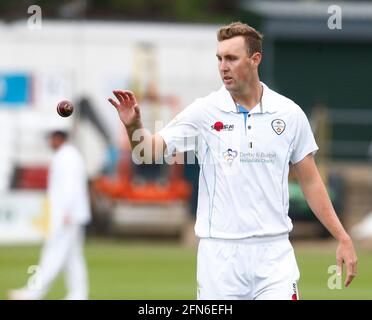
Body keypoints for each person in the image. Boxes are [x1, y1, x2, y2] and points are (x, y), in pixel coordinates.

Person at [108, 22, 357, 300]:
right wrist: (134, 126)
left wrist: (343, 237)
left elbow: (311, 182)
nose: (223, 66)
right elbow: (147, 151)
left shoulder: (289, 114)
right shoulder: (204, 111)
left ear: (255, 59)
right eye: (219, 58)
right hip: (220, 258)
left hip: (274, 256)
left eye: (231, 58)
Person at [8, 130, 91, 300]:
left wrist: (67, 211)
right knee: (73, 257)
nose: (50, 143)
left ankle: (33, 292)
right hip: (70, 214)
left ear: (59, 139)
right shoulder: (68, 155)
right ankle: (78, 294)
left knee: (53, 253)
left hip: (66, 215)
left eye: (52, 140)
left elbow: (69, 187)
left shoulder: (66, 157)